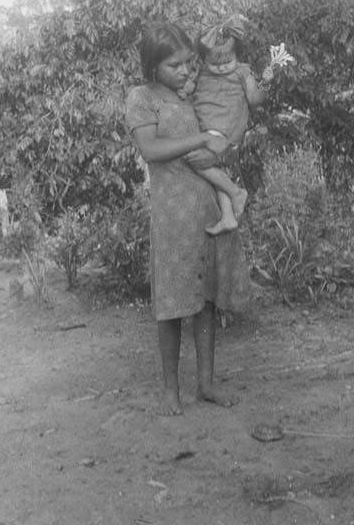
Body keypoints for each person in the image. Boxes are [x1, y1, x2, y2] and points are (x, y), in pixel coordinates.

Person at [125, 22, 252, 416]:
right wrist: (201, 141)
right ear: (152, 65)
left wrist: (219, 152)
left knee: (206, 302)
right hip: (171, 211)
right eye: (173, 65)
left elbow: (223, 136)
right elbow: (150, 150)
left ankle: (207, 384)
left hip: (205, 207)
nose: (183, 71)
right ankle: (169, 390)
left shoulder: (191, 93)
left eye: (187, 63)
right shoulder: (141, 97)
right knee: (172, 302)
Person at [184, 15, 273, 235]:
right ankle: (227, 217)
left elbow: (253, 99)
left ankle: (236, 193)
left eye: (227, 62)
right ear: (204, 60)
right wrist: (190, 77)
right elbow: (186, 92)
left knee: (195, 159)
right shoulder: (201, 71)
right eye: (215, 64)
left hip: (225, 126)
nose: (223, 68)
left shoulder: (242, 71)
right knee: (213, 168)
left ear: (237, 56)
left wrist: (265, 84)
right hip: (207, 128)